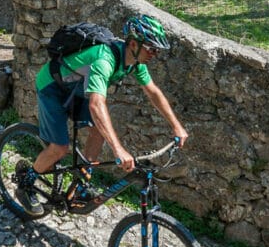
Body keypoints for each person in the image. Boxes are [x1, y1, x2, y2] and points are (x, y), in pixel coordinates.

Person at [17, 14, 189, 217]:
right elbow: (97, 105)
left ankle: (80, 182)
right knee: (59, 148)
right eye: (151, 48)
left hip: (77, 88)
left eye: (157, 50)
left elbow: (153, 92)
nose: (155, 54)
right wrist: (118, 150)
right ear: (133, 44)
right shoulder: (104, 60)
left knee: (98, 132)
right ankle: (26, 181)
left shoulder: (135, 62)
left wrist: (176, 126)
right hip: (53, 86)